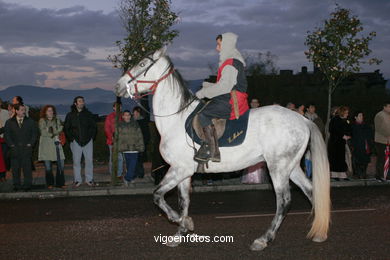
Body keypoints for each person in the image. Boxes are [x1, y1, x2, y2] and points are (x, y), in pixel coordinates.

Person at [195, 32, 249, 162]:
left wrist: (203, 93)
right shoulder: (231, 61)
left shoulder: (231, 63)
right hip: (229, 96)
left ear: (227, 45)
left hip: (232, 101)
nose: (217, 48)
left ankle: (211, 150)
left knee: (203, 115)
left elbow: (225, 87)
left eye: (219, 45)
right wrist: (207, 86)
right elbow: (225, 84)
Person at [64, 96, 97, 187]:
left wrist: (91, 138)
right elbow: (67, 128)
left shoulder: (88, 114)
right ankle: (77, 180)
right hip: (76, 142)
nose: (82, 102)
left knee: (89, 161)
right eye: (79, 101)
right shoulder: (70, 115)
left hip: (87, 142)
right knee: (76, 162)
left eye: (82, 101)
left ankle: (89, 180)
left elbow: (93, 127)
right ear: (75, 103)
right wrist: (72, 139)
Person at [4, 104, 38, 191]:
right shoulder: (9, 122)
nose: (24, 111)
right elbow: (7, 135)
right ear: (16, 111)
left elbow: (34, 134)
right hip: (14, 149)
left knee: (27, 169)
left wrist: (30, 144)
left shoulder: (30, 121)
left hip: (27, 149)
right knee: (15, 169)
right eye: (22, 110)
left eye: (24, 110)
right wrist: (11, 145)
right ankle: (16, 185)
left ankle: (27, 185)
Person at [38, 105, 66, 189]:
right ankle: (50, 183)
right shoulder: (42, 120)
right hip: (46, 146)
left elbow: (61, 128)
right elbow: (43, 132)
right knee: (48, 166)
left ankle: (60, 183)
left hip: (56, 145)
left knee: (61, 163)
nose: (50, 112)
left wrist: (51, 131)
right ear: (45, 112)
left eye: (51, 110)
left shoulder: (57, 119)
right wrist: (54, 132)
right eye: (48, 110)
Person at [118, 110, 144, 186]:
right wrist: (119, 147)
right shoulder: (120, 125)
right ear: (122, 116)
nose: (127, 116)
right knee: (129, 165)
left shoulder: (135, 124)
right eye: (125, 115)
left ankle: (126, 178)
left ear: (130, 116)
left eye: (128, 115)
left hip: (134, 147)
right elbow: (119, 137)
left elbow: (140, 135)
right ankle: (131, 178)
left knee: (133, 164)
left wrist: (141, 146)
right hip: (125, 148)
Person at [328, 106, 351, 181]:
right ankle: (334, 174)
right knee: (335, 158)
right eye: (346, 113)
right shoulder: (335, 119)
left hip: (341, 143)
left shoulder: (345, 120)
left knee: (341, 158)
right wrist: (342, 135)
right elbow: (333, 130)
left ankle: (342, 174)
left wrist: (348, 135)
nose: (347, 114)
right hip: (335, 143)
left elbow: (349, 129)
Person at [351, 111, 373, 179]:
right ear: (355, 117)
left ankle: (363, 174)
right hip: (357, 147)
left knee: (365, 161)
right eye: (360, 116)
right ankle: (357, 174)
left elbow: (370, 135)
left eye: (362, 116)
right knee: (357, 161)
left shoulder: (366, 126)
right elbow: (352, 137)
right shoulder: (353, 126)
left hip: (365, 146)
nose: (362, 117)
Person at [104, 102, 123, 178]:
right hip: (112, 140)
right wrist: (111, 138)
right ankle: (112, 173)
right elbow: (107, 128)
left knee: (120, 158)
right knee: (112, 158)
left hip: (122, 141)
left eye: (120, 107)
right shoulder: (110, 117)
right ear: (114, 108)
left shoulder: (123, 116)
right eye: (117, 107)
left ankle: (119, 174)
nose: (118, 108)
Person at [374, 101, 390, 181]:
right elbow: (379, 128)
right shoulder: (379, 115)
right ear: (384, 107)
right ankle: (379, 175)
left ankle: (387, 175)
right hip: (381, 141)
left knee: (388, 159)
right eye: (389, 106)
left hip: (388, 141)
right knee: (381, 158)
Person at [0, 98, 9, 182]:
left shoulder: (6, 113)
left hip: (4, 138)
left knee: (4, 158)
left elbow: (9, 125)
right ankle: (1, 176)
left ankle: (3, 175)